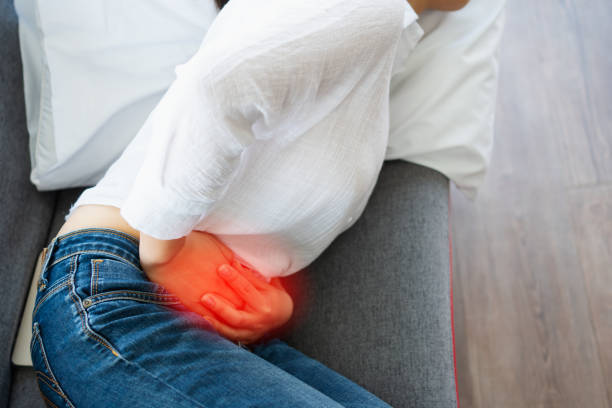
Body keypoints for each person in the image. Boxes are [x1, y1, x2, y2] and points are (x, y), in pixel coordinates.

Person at [31, 0, 469, 406]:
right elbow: (217, 85)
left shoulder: (374, 32)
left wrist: (272, 304)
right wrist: (165, 251)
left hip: (187, 318)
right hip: (118, 297)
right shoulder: (364, 10)